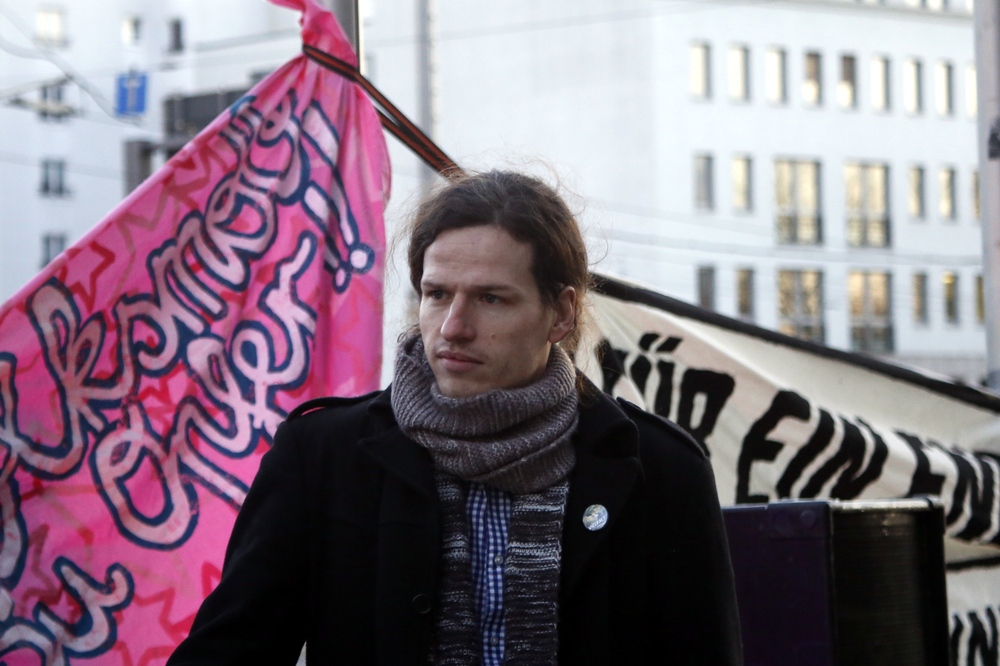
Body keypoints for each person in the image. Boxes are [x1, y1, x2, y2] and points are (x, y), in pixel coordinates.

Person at [168, 170, 742, 665]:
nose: (453, 327)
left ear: (561, 313)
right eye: (437, 294)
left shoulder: (657, 470)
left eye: (491, 298)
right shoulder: (323, 457)